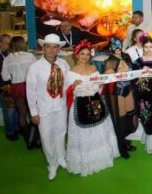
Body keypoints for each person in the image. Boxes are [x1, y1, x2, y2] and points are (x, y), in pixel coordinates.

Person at [65, 41, 119, 176]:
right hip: (80, 105)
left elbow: (99, 86)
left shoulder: (94, 68)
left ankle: (101, 158)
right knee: (83, 135)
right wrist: (73, 86)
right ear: (76, 55)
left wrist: (106, 76)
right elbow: (66, 93)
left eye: (88, 54)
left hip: (95, 102)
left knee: (99, 131)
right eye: (82, 54)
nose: (85, 57)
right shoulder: (70, 73)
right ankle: (86, 161)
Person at [25, 34, 70, 180]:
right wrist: (33, 112)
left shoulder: (64, 64)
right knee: (46, 137)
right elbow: (30, 91)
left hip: (60, 107)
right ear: (43, 48)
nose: (51, 49)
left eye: (54, 47)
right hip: (43, 109)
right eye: (48, 46)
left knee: (60, 133)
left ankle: (61, 158)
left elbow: (67, 85)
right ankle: (52, 163)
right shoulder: (35, 67)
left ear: (58, 48)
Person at [0, 36, 37, 149]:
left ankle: (28, 140)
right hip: (29, 85)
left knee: (22, 113)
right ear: (23, 44)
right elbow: (37, 71)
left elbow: (5, 77)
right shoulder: (30, 56)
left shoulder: (7, 58)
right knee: (33, 112)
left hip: (16, 86)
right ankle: (34, 139)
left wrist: (14, 75)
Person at [103, 39, 136, 158]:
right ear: (110, 47)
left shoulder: (126, 56)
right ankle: (121, 146)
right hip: (117, 92)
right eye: (114, 46)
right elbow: (107, 79)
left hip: (128, 88)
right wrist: (107, 73)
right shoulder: (109, 61)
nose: (117, 48)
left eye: (118, 45)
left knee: (130, 115)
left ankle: (125, 140)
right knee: (120, 118)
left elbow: (134, 70)